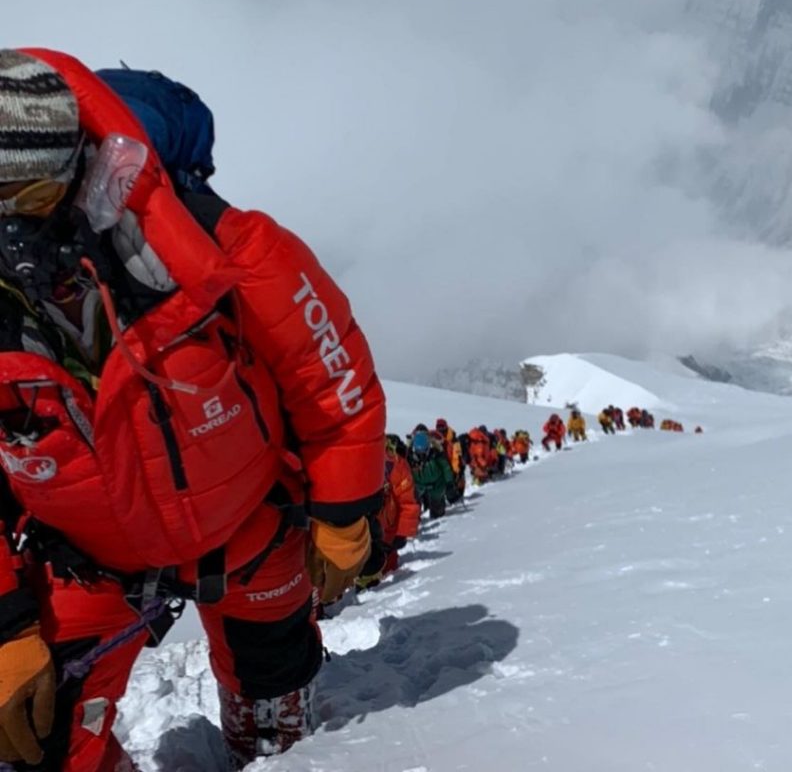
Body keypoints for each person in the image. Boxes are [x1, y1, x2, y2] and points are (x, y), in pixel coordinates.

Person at [0, 50, 386, 771]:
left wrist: (342, 510)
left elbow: (327, 374)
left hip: (248, 529)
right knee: (39, 740)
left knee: (274, 703)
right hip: (84, 562)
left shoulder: (216, 246)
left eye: (23, 197)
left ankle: (267, 737)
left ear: (71, 170)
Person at [357, 435, 419, 589]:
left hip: (387, 532)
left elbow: (407, 500)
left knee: (386, 573)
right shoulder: (354, 461)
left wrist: (403, 531)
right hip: (360, 527)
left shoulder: (396, 464)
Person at [408, 429, 454, 517]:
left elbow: (446, 468)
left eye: (423, 452)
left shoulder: (436, 455)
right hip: (419, 485)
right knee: (413, 505)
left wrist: (449, 483)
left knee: (437, 512)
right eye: (418, 453)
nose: (421, 455)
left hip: (436, 485)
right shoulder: (410, 458)